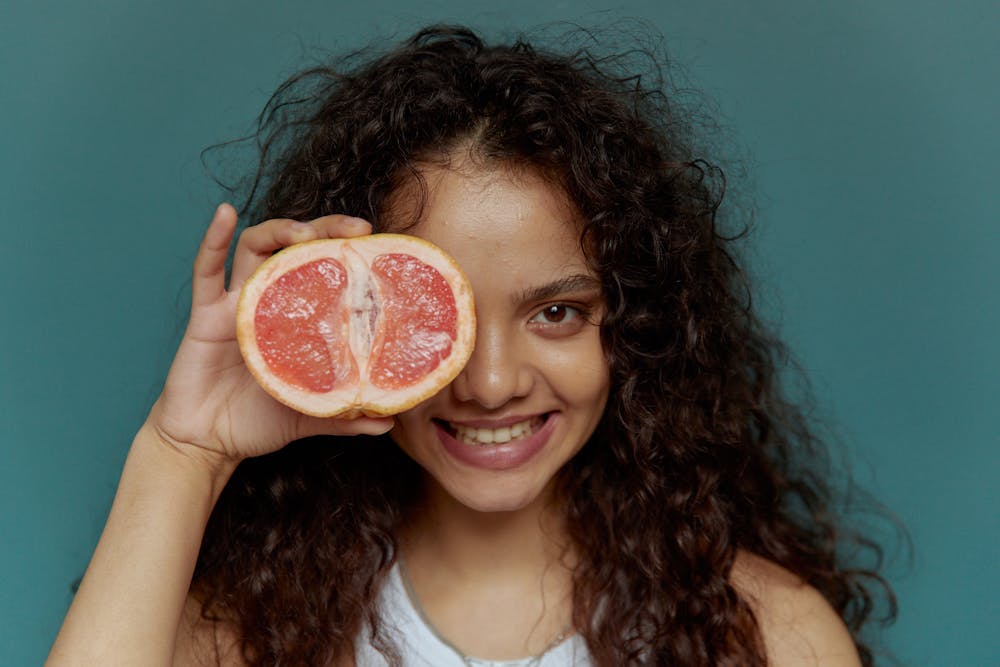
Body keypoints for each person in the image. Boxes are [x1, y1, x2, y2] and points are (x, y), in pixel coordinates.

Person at [47, 24, 895, 666]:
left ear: (638, 325)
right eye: (435, 319)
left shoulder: (762, 632)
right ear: (353, 331)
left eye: (556, 312)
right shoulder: (249, 632)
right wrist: (182, 451)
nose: (490, 383)